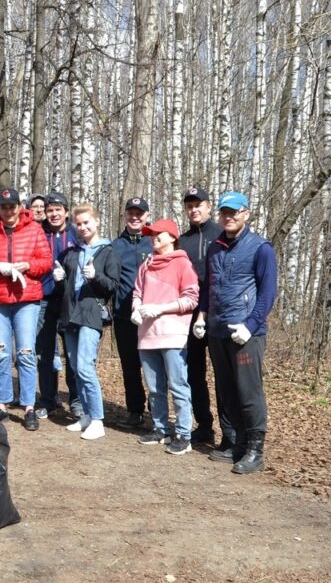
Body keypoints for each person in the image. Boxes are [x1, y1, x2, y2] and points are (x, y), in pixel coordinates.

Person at [195, 191, 277, 474]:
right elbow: (208, 287)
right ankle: (233, 441)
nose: (228, 217)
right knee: (225, 389)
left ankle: (255, 449)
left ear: (246, 214)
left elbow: (268, 292)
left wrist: (251, 324)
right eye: (224, 213)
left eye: (234, 212)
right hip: (217, 330)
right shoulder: (215, 248)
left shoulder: (260, 248)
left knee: (248, 391)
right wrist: (202, 316)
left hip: (245, 332)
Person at [0, 188, 52, 430]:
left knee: (26, 353)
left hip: (26, 299)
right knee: (0, 352)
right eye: (3, 206)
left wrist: (28, 264)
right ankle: (2, 403)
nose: (8, 211)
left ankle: (28, 406)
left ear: (19, 207)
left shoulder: (35, 230)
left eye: (12, 206)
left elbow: (46, 262)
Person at [132, 219, 199, 455]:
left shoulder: (183, 264)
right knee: (154, 387)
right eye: (151, 234)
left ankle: (184, 434)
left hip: (173, 334)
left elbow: (191, 299)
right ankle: (161, 428)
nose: (153, 237)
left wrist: (160, 308)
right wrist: (135, 310)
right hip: (147, 334)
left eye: (158, 233)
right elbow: (137, 292)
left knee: (178, 385)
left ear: (172, 237)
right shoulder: (146, 265)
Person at [56, 203, 119, 440]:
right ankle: (85, 415)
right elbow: (67, 284)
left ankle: (98, 420)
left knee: (84, 366)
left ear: (97, 221)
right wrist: (60, 278)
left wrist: (97, 276)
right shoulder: (72, 253)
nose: (83, 227)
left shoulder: (108, 252)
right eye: (78, 224)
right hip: (70, 314)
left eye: (86, 223)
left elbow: (112, 286)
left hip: (91, 314)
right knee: (75, 368)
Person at [179, 186, 224, 447]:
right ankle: (204, 425)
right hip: (189, 314)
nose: (194, 209)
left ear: (209, 207)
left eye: (198, 204)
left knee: (222, 373)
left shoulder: (221, 235)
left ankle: (229, 431)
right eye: (189, 205)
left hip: (217, 314)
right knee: (194, 372)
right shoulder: (182, 241)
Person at [34, 191, 79, 419]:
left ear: (66, 212)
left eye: (57, 210)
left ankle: (76, 400)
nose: (53, 214)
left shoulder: (76, 233)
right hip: (43, 299)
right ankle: (47, 400)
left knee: (72, 353)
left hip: (70, 301)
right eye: (50, 210)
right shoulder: (38, 233)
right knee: (44, 352)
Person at [110, 196, 152, 428]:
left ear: (147, 216)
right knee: (130, 366)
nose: (135, 217)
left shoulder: (154, 243)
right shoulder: (116, 246)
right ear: (125, 215)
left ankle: (157, 411)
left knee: (153, 366)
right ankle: (135, 411)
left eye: (140, 213)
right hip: (124, 316)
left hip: (152, 316)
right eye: (131, 213)